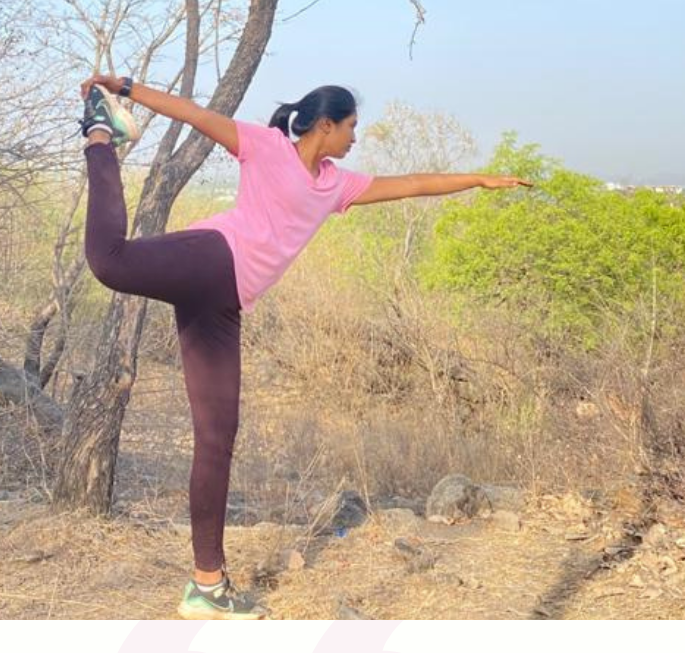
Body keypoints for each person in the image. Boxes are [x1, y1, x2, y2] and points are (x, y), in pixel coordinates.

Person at [77, 75, 533, 620]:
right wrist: (122, 89)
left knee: (218, 438)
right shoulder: (264, 147)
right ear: (325, 124)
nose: (355, 138)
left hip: (225, 304)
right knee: (109, 261)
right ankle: (99, 134)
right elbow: (190, 112)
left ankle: (206, 585)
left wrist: (478, 180)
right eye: (351, 128)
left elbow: (411, 183)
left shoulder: (336, 185)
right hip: (212, 256)